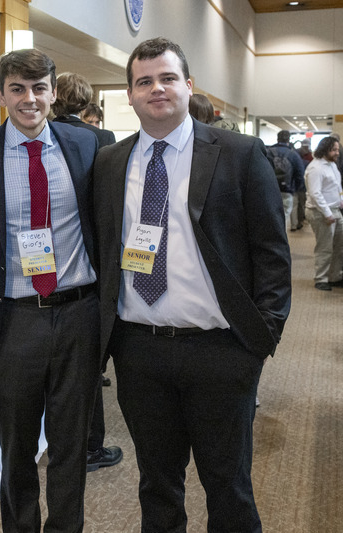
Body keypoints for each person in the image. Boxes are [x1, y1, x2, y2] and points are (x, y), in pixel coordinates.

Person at [93, 37, 291, 532]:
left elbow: (271, 253)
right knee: (157, 484)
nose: (156, 89)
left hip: (221, 350)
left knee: (228, 484)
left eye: (167, 78)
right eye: (144, 82)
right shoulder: (110, 163)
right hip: (140, 351)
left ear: (188, 85)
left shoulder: (240, 153)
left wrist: (260, 337)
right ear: (131, 94)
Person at [0, 49, 101, 532]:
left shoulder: (87, 147)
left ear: (54, 93)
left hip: (79, 312)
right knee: (17, 444)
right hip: (14, 317)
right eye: (17, 88)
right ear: (1, 95)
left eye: (39, 88)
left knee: (70, 441)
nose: (29, 99)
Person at [50, 70, 121, 474]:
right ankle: (90, 445)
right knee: (84, 374)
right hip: (87, 271)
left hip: (56, 274)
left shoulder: (77, 138)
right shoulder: (102, 140)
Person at [304, 135, 343, 291]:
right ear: (325, 149)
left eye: (338, 149)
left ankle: (334, 276)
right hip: (320, 212)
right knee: (325, 247)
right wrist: (327, 214)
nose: (337, 153)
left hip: (335, 210)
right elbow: (315, 194)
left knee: (339, 246)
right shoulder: (315, 168)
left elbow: (336, 186)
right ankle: (321, 279)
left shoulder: (331, 165)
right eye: (334, 150)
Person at [52, 72, 116, 148]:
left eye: (97, 122)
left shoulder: (40, 134)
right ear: (86, 101)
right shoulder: (104, 136)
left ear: (52, 96)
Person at [268, 129, 305, 229]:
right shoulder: (293, 154)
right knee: (283, 217)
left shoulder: (268, 152)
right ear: (288, 140)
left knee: (270, 217)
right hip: (286, 190)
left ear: (277, 138)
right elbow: (300, 174)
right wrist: (295, 188)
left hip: (269, 190)